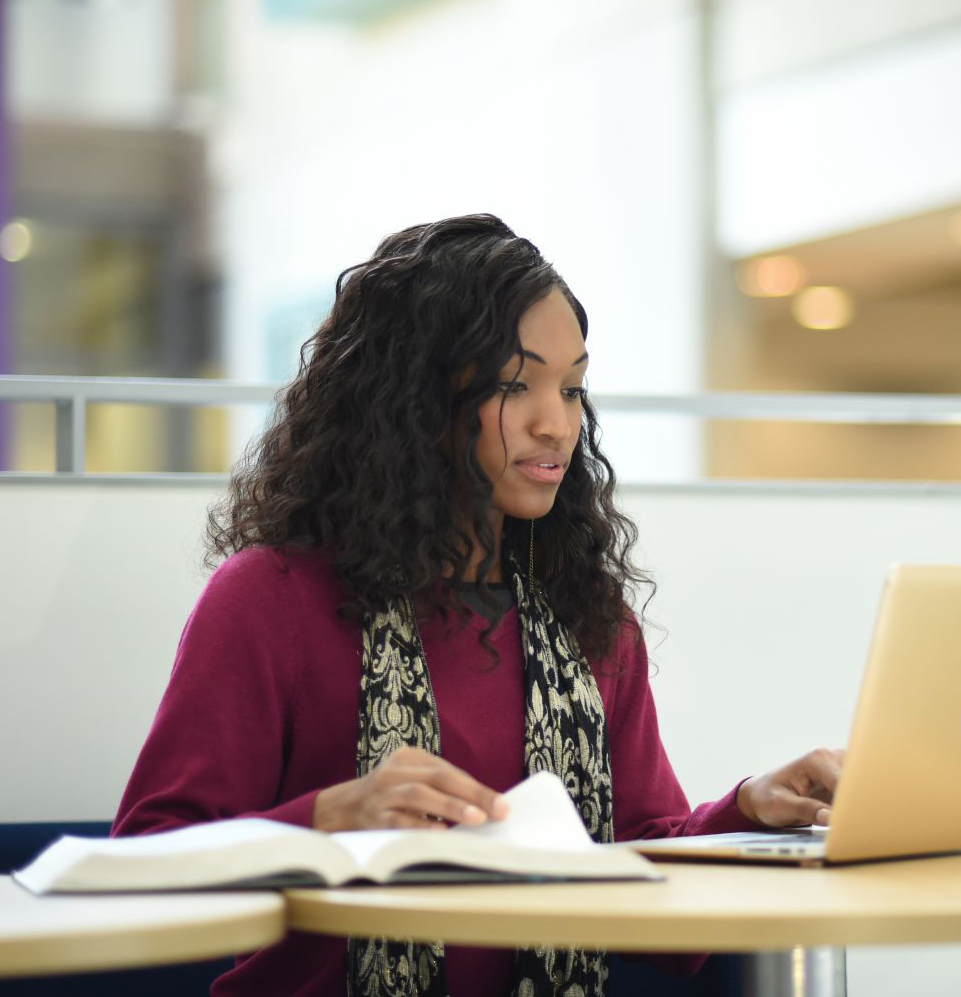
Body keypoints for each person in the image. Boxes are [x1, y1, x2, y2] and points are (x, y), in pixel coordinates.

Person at [113, 214, 843, 997]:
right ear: (415, 397)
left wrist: (748, 811)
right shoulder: (273, 598)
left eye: (571, 388)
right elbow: (144, 862)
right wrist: (326, 819)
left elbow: (637, 859)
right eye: (513, 384)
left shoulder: (586, 618)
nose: (555, 422)